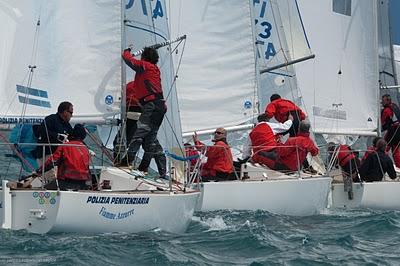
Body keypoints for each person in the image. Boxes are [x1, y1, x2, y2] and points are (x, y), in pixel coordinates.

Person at [121, 46, 167, 178]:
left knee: (140, 132)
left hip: (151, 105)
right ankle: (143, 168)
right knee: (150, 139)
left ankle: (127, 160)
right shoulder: (154, 69)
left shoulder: (145, 66)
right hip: (158, 106)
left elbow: (128, 60)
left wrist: (127, 50)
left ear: (144, 57)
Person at [36, 124, 90, 190]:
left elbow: (52, 161)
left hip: (65, 182)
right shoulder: (85, 148)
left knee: (43, 189)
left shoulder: (65, 146)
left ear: (72, 134)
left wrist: (39, 171)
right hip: (82, 183)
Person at [381, 94, 400, 167]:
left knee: (383, 148)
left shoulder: (386, 110)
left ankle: (382, 164)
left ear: (387, 101)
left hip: (393, 132)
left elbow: (383, 123)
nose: (382, 102)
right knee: (395, 151)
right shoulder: (395, 106)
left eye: (383, 101)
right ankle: (398, 167)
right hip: (398, 131)